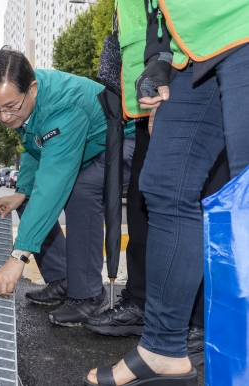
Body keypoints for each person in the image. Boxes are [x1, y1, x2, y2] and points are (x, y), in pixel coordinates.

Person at [84, 0, 249, 384]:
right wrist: (158, 55)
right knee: (164, 184)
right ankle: (162, 349)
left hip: (240, 23)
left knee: (244, 193)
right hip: (191, 49)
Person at [0, 48, 135, 327]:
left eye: (9, 108)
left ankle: (87, 295)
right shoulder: (19, 103)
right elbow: (33, 149)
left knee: (79, 190)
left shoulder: (62, 105)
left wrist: (18, 257)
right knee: (25, 199)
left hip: (125, 143)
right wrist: (21, 191)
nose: (2, 117)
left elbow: (53, 181)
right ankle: (64, 278)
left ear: (32, 89)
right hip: (88, 149)